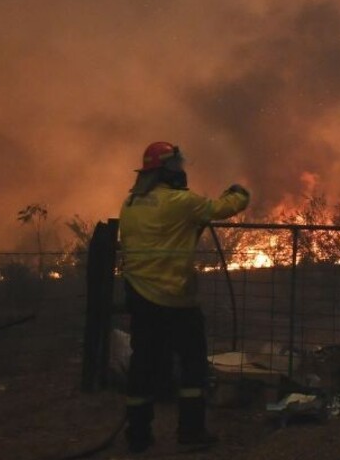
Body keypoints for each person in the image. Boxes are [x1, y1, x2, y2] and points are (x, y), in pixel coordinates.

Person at [119, 141, 250, 453]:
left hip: (139, 295)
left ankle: (138, 435)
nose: (181, 171)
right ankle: (191, 431)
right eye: (176, 166)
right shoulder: (180, 201)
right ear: (165, 170)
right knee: (193, 364)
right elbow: (221, 208)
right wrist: (240, 193)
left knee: (143, 363)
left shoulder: (131, 203)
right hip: (175, 298)